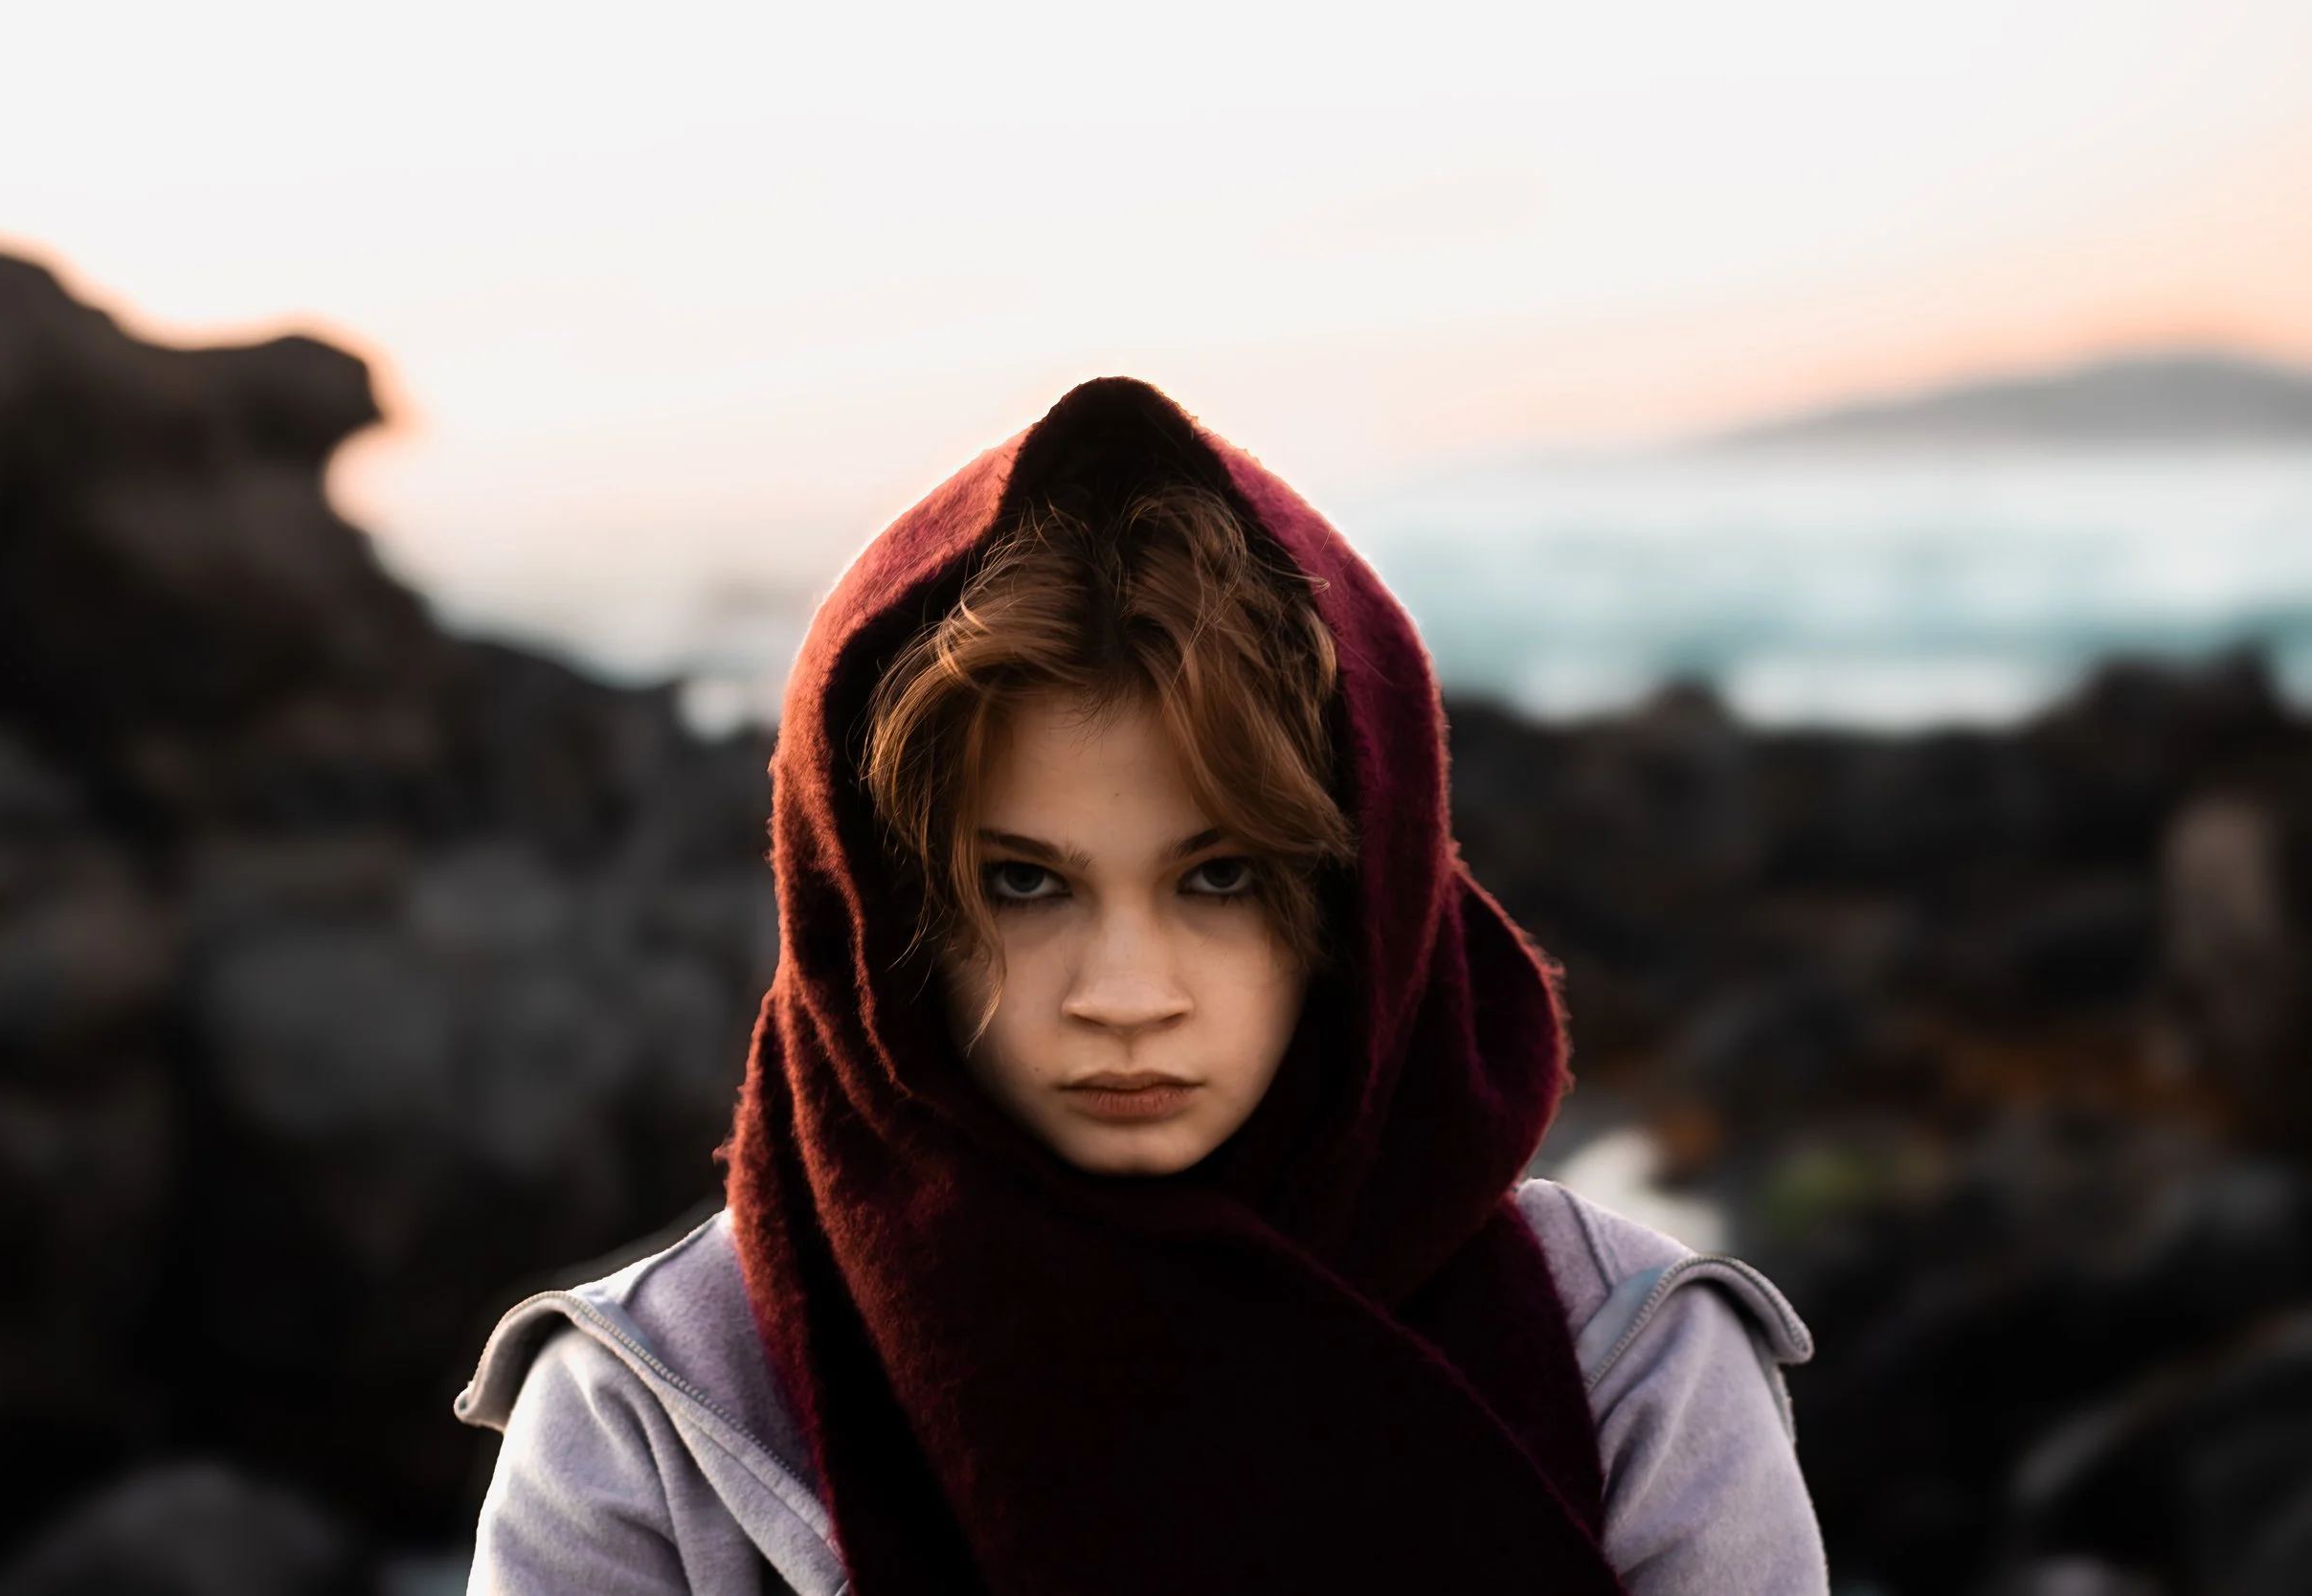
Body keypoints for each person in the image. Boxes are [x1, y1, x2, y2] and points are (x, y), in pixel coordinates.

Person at [453, 378, 1828, 1594]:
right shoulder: (648, 1420)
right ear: (877, 917)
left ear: (1362, 898)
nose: (1123, 992)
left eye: (1220, 877)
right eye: (1023, 884)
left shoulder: (1636, 1370)